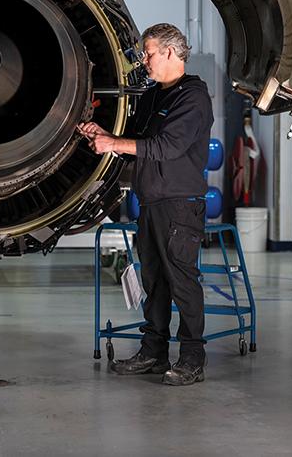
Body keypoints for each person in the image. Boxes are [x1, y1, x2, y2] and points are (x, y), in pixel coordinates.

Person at [77, 23, 213, 386]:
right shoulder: (154, 96)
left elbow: (167, 148)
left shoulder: (193, 97)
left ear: (170, 52)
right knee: (154, 281)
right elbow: (135, 139)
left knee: (182, 280)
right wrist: (103, 135)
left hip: (180, 205)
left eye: (149, 52)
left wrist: (114, 145)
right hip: (151, 202)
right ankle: (153, 352)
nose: (144, 59)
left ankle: (192, 358)